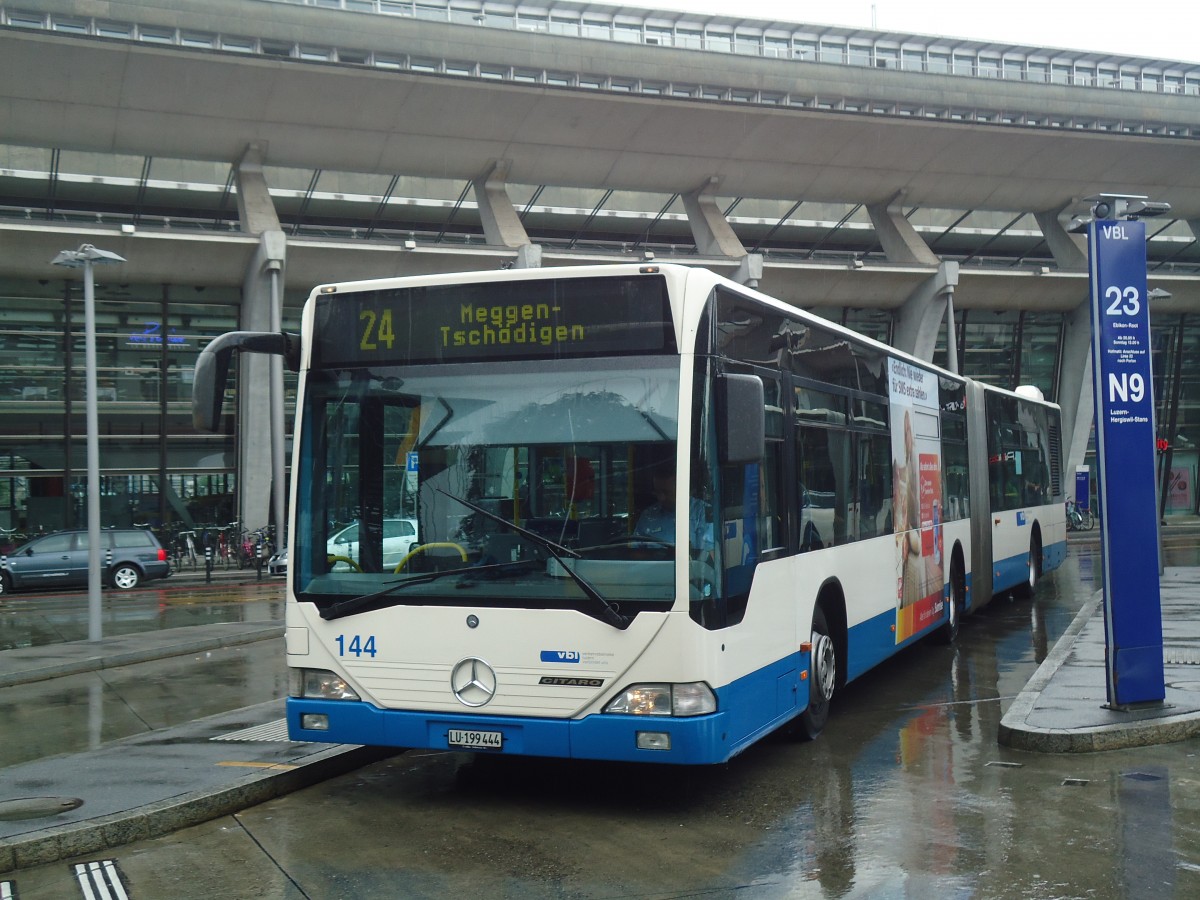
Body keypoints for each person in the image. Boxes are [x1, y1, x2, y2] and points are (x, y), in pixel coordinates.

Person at [635, 468, 712, 550]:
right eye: (658, 492)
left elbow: (710, 554)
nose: (661, 498)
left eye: (666, 492)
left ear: (682, 489)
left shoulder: (703, 512)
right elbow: (635, 551)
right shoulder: (648, 515)